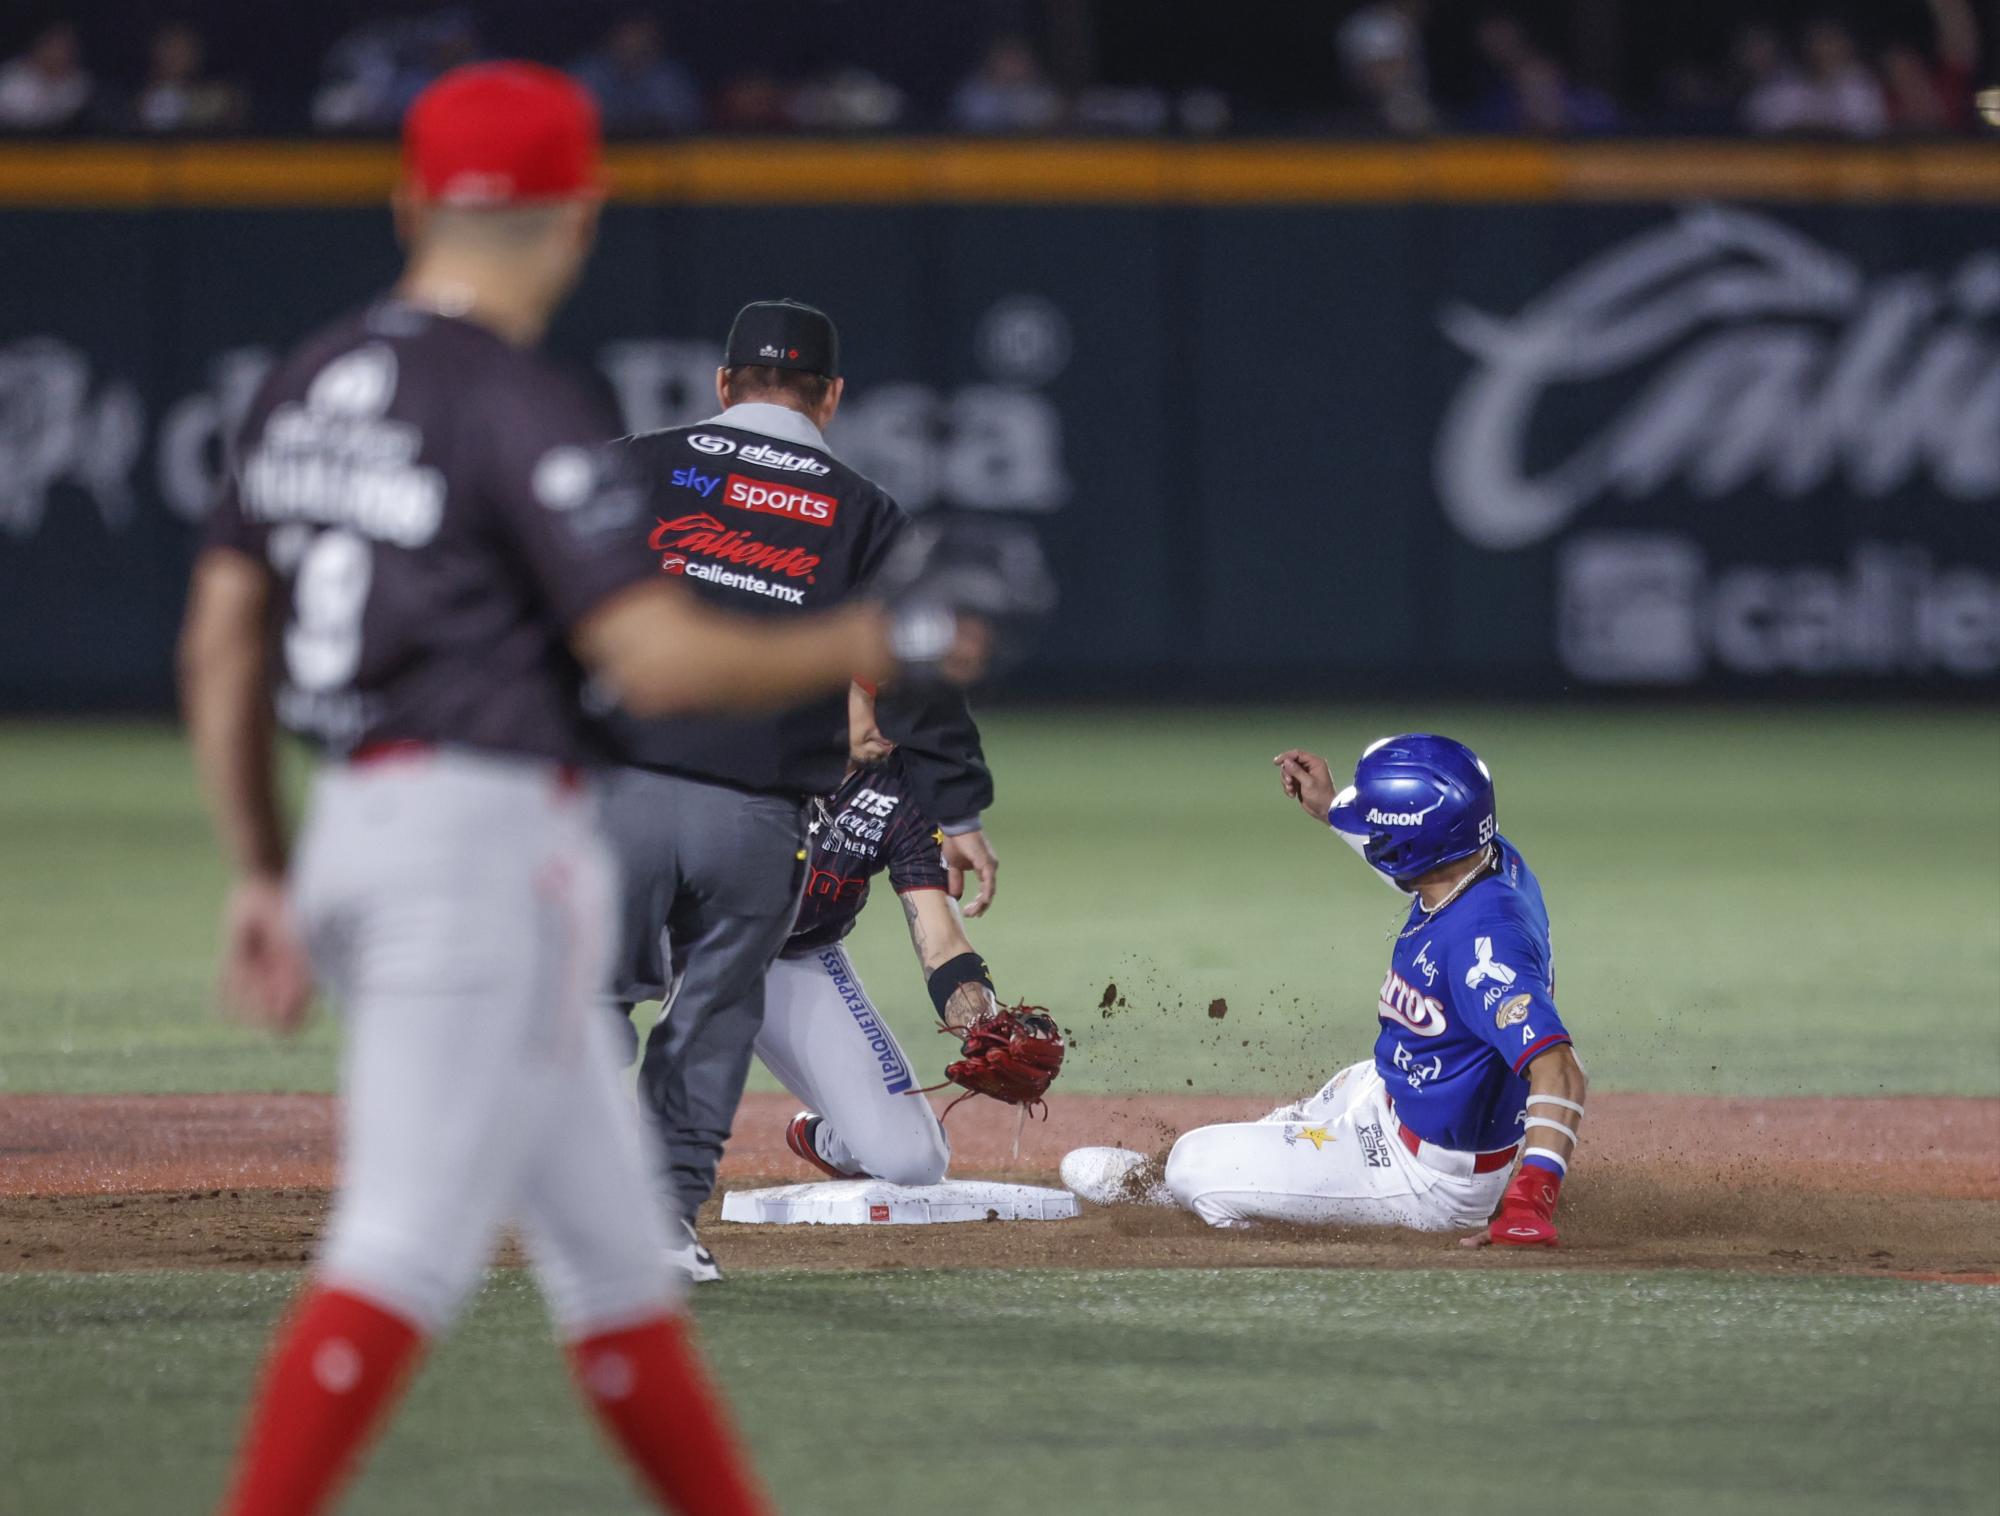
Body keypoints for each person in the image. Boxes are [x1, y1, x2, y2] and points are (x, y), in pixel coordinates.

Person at [180, 63, 998, 1516]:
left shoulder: (306, 382)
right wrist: (870, 644)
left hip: (380, 829)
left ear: (407, 198)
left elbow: (221, 642)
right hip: (467, 849)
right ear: (578, 219)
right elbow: (656, 658)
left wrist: (259, 866)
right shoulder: (517, 403)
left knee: (619, 1268)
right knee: (399, 1255)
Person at [601, 297, 1003, 1281]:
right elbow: (917, 660)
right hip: (753, 813)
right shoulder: (861, 510)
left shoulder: (630, 466)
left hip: (608, 796)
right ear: (830, 397)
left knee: (580, 1006)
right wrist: (959, 806)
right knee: (711, 1019)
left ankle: (488, 1190)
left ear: (722, 386)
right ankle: (658, 1224)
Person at [1062, 735, 1588, 1248]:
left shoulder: (1482, 943)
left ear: (1413, 842)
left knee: (1191, 1165)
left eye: (1377, 823)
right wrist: (1333, 808)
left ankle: (1278, 1223)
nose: (1370, 830)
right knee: (1338, 1091)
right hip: (1399, 1093)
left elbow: (1559, 1069)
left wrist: (1528, 1204)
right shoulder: (1484, 859)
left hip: (1427, 1179)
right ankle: (1288, 1167)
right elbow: (1411, 858)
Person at [769, 682, 1001, 1186]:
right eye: (878, 702)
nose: (891, 723)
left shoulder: (904, 791)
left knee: (913, 1162)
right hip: (682, 942)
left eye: (907, 708)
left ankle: (826, 1137)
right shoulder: (752, 734)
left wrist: (985, 1027)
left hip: (788, 959)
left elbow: (941, 941)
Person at [571, 13, 703, 133]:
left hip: (661, 156)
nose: (633, 42)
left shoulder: (670, 79)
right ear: (613, 36)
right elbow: (571, 121)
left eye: (640, 34)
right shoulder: (589, 74)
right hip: (598, 154)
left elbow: (687, 124)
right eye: (627, 34)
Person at [133, 22, 246, 134]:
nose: (174, 57)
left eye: (182, 49)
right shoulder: (142, 101)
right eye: (169, 48)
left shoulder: (216, 96)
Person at [0, 22, 92, 131]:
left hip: (62, 144)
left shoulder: (79, 83)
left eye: (64, 49)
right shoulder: (13, 79)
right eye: (53, 47)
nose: (59, 54)